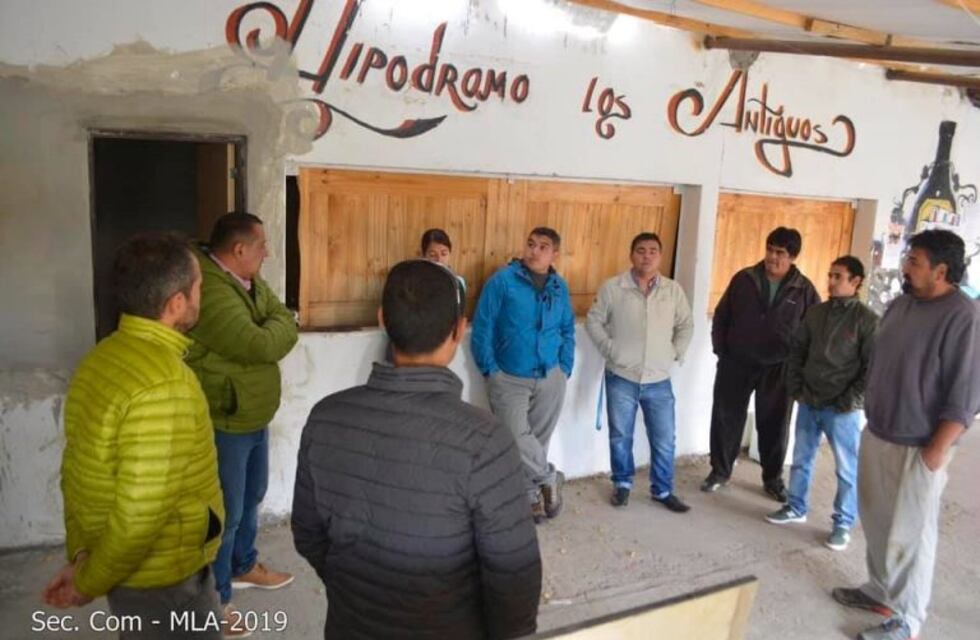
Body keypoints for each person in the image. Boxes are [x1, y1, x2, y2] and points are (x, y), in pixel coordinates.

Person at [292, 260, 542, 639]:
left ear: (382, 320)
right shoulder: (485, 439)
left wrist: (362, 592)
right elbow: (514, 574)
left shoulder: (327, 417)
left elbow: (308, 534)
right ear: (459, 330)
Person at [43, 233, 227, 638]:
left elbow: (73, 471)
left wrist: (82, 556)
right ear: (176, 303)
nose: (202, 296)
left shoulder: (101, 358)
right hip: (164, 577)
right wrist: (86, 581)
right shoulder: (165, 383)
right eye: (199, 287)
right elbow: (139, 517)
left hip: (121, 565)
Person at [833, 230, 980, 640]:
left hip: (920, 444)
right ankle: (880, 591)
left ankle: (907, 621)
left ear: (941, 270)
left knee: (913, 537)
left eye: (914, 261)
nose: (905, 267)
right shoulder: (902, 304)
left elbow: (965, 394)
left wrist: (936, 452)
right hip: (880, 431)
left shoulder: (962, 316)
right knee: (879, 523)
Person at [186, 213, 298, 625]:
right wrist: (271, 330)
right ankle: (216, 603)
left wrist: (275, 326)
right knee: (226, 513)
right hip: (226, 418)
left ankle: (243, 564)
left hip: (253, 414)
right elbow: (257, 343)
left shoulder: (247, 281)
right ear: (239, 250)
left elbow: (282, 318)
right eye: (262, 245)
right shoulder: (211, 288)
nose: (267, 252)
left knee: (252, 496)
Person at [765, 256, 878, 551]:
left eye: (838, 276)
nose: (831, 281)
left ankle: (842, 523)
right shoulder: (816, 313)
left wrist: (848, 401)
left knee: (846, 469)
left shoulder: (866, 321)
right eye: (830, 274)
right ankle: (796, 507)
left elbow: (872, 369)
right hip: (809, 401)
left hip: (842, 409)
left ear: (855, 282)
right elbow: (797, 351)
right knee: (802, 459)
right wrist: (797, 388)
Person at [703, 227, 821, 501]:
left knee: (775, 425)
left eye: (780, 253)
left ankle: (772, 479)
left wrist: (799, 368)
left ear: (793, 257)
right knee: (725, 417)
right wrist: (722, 351)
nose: (772, 257)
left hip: (779, 369)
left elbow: (813, 332)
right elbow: (722, 316)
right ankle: (719, 471)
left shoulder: (804, 290)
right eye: (769, 249)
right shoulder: (744, 279)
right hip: (737, 363)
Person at [471, 227, 576, 523]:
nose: (534, 250)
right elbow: (483, 327)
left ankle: (531, 499)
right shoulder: (502, 281)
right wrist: (491, 370)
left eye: (543, 246)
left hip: (550, 376)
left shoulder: (559, 286)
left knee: (538, 441)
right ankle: (550, 476)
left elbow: (567, 328)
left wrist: (565, 368)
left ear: (554, 254)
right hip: (509, 376)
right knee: (516, 437)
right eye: (530, 244)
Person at [586, 232, 694, 511]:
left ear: (660, 256)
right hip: (621, 376)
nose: (647, 256)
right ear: (631, 255)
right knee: (621, 435)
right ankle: (622, 483)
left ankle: (663, 490)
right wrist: (611, 349)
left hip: (659, 380)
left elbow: (686, 325)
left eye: (653, 251)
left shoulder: (673, 291)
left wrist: (674, 353)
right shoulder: (614, 288)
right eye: (641, 250)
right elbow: (594, 321)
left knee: (664, 438)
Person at [421, 227, 467, 293]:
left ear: (449, 254)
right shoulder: (416, 282)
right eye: (432, 255)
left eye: (444, 254)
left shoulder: (458, 282)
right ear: (424, 256)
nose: (439, 259)